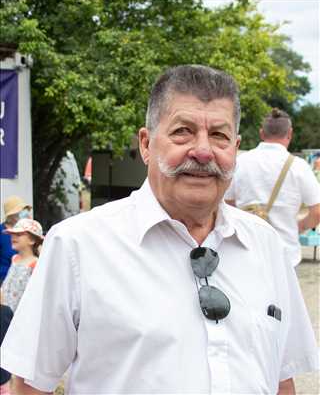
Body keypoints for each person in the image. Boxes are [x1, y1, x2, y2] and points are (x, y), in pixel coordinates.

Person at [1, 65, 318, 395]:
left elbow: (282, 380)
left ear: (235, 149)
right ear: (146, 144)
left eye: (220, 136)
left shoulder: (266, 245)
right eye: (183, 131)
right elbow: (29, 384)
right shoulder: (78, 245)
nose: (203, 151)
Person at [225, 108, 320, 267]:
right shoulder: (299, 167)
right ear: (289, 133)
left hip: (246, 252)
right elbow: (317, 212)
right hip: (285, 255)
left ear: (261, 133)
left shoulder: (241, 162)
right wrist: (298, 227)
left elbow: (227, 204)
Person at [1, 219, 44, 313]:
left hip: (20, 313)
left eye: (19, 234)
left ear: (32, 240)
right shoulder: (14, 259)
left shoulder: (35, 264)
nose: (13, 237)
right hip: (5, 309)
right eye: (12, 234)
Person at [0, 196, 32, 285]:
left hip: (25, 280)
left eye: (25, 210)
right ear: (11, 215)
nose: (25, 213)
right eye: (21, 211)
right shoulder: (1, 232)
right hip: (4, 280)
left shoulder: (29, 231)